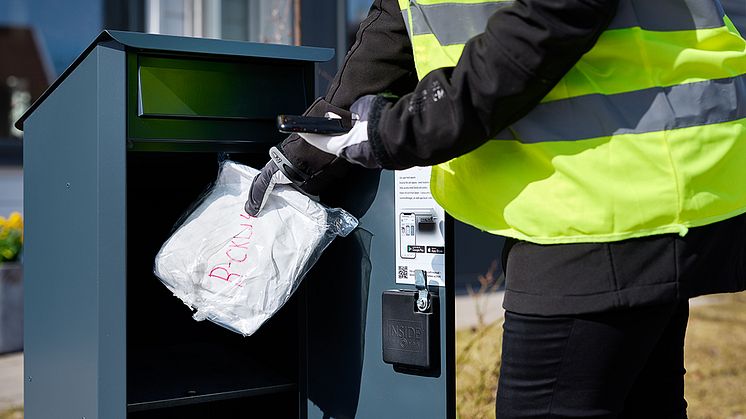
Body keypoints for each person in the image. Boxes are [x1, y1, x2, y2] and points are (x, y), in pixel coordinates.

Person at [246, 0, 746, 417]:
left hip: (612, 193)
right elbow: (402, 17)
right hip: (604, 188)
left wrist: (400, 128)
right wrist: (315, 143)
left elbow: (550, 17)